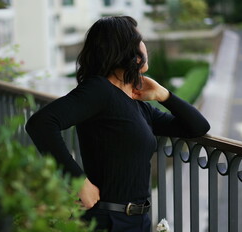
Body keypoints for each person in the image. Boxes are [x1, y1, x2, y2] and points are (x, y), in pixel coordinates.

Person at [25, 16, 210, 232]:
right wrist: (78, 181)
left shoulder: (136, 104)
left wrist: (164, 95)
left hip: (138, 220)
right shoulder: (99, 90)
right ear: (123, 48)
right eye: (139, 39)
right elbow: (41, 123)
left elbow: (197, 127)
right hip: (108, 220)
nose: (144, 45)